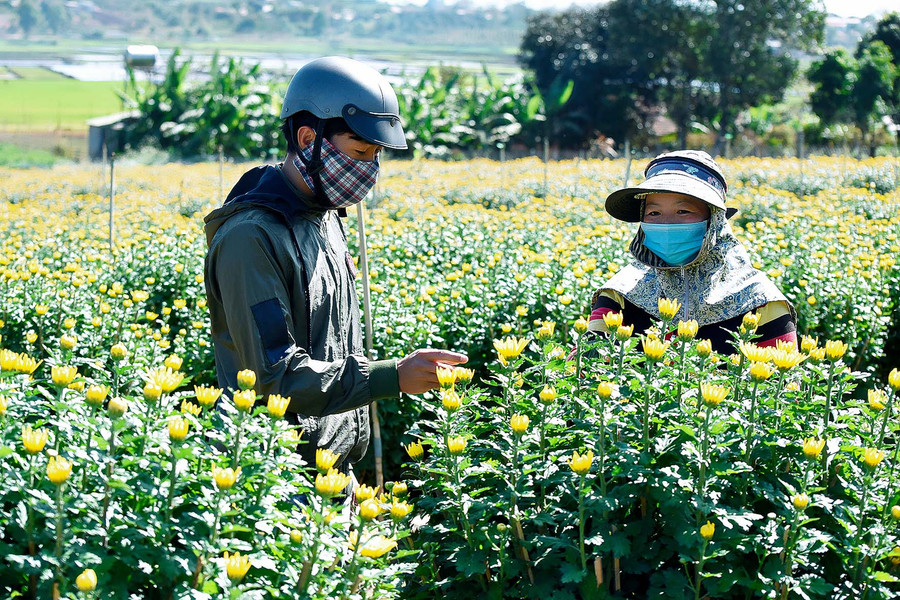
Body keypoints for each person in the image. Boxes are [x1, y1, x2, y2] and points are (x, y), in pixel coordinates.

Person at [203, 56, 467, 473]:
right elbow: (274, 378)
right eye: (360, 151)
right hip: (274, 479)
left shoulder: (324, 216)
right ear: (308, 138)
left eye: (377, 155)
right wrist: (391, 376)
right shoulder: (250, 239)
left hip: (329, 466)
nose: (370, 169)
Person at [587, 150, 797, 354]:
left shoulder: (759, 300)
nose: (667, 223)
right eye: (654, 212)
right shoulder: (620, 293)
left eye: (683, 211)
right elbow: (586, 371)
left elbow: (785, 383)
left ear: (715, 220)